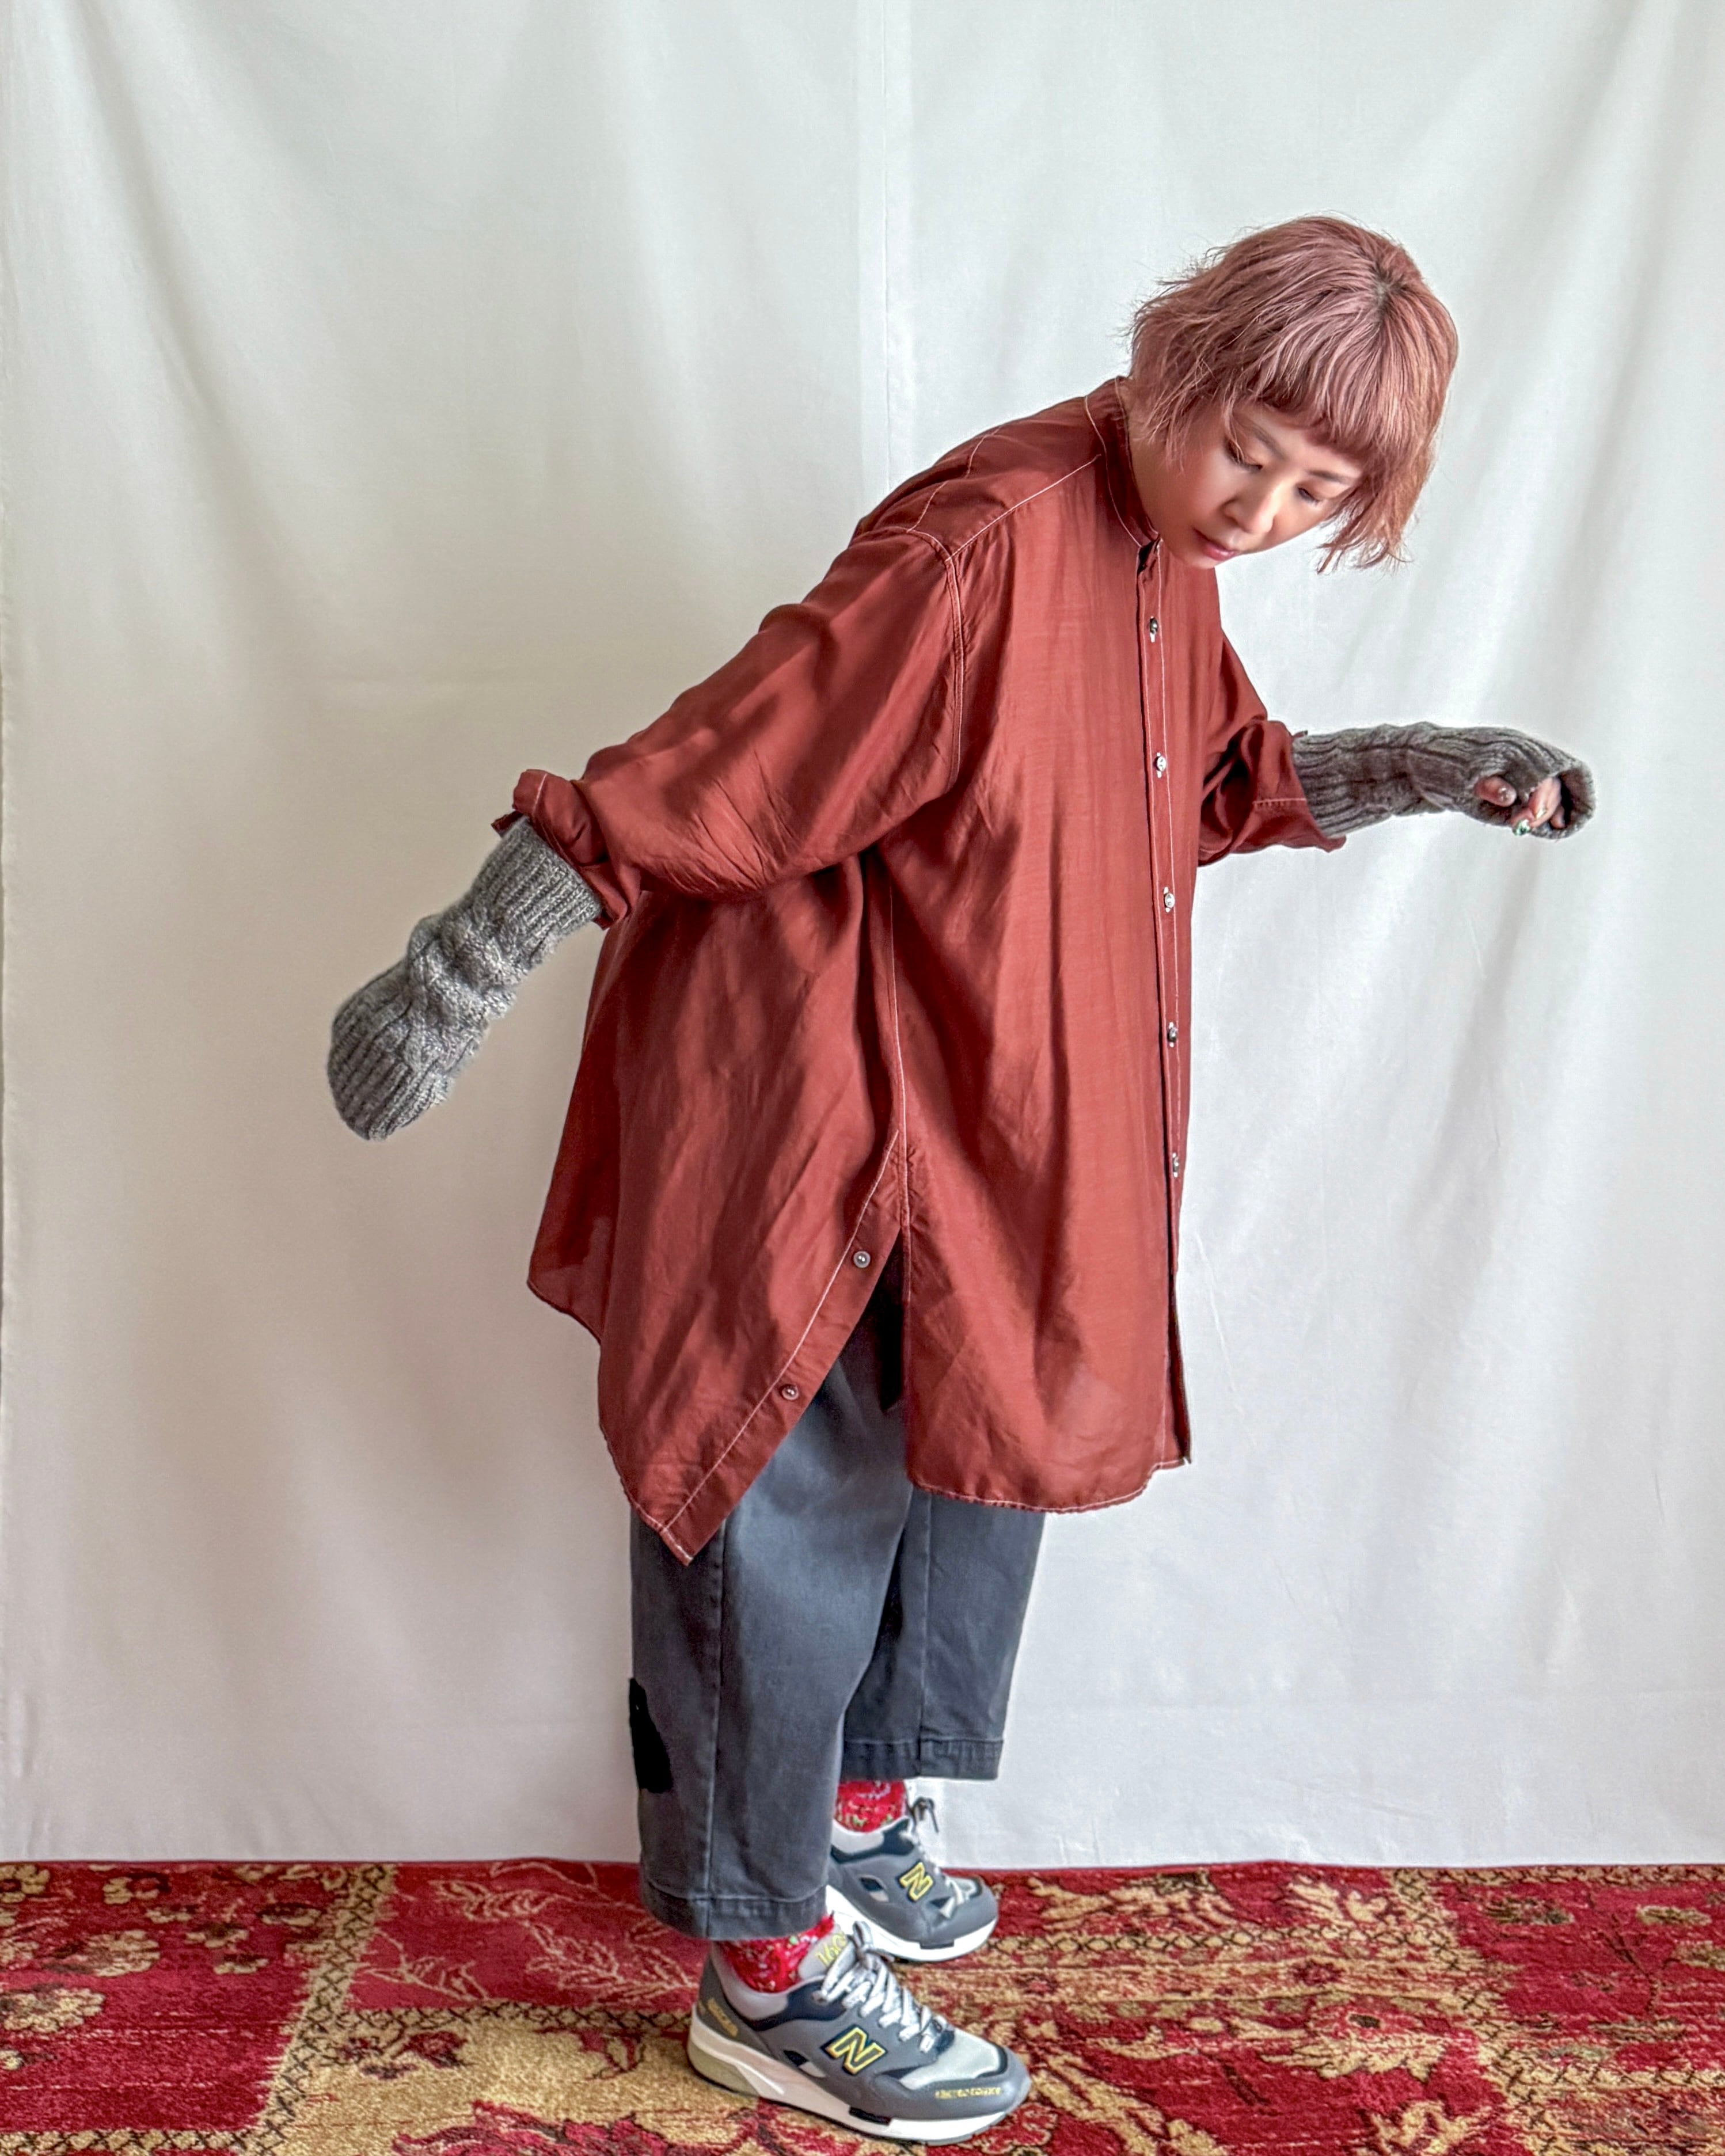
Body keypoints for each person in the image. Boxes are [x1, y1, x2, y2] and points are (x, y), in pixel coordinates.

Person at [328, 216, 1594, 2144]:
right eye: (1247, 448)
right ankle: (764, 1968)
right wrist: (460, 964)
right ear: (1176, 364)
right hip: (820, 1097)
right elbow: (722, 754)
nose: (1257, 508)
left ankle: (844, 1820)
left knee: (975, 1436)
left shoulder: (1159, 555)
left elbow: (1201, 781)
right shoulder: (987, 537)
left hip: (982, 1090)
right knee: (777, 1497)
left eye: (1313, 491)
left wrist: (1423, 766)